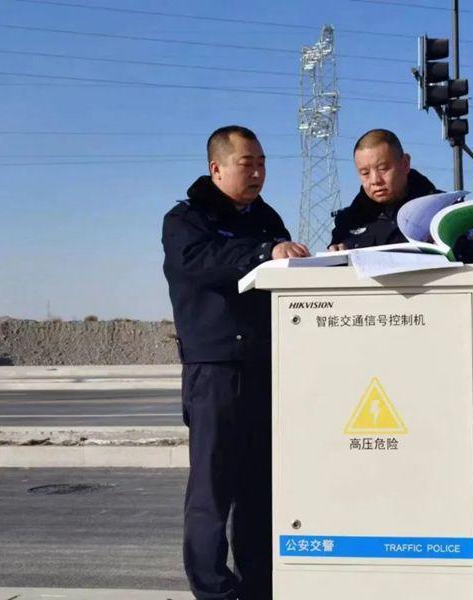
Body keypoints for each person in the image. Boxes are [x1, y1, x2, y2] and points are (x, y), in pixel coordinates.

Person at [162, 125, 308, 600]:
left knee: (258, 487)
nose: (258, 172)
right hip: (215, 370)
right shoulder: (187, 220)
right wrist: (265, 252)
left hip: (264, 366)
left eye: (262, 163)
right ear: (217, 168)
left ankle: (259, 584)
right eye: (248, 164)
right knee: (212, 489)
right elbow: (201, 262)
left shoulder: (266, 217)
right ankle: (212, 589)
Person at [327, 128, 473, 263]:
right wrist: (333, 259)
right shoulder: (347, 222)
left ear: (405, 164)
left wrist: (452, 251)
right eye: (365, 173)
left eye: (383, 169)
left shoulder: (445, 210)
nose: (375, 180)